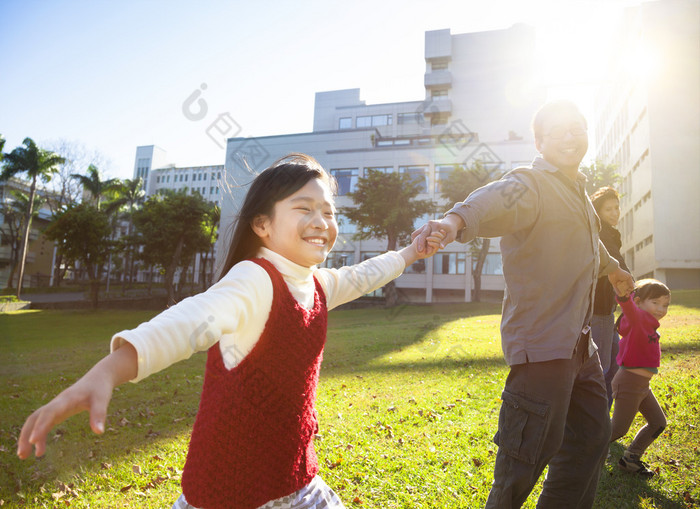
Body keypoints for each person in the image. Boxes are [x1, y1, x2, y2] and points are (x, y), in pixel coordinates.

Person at [17, 153, 443, 509]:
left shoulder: (314, 284)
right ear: (262, 225)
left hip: (292, 480)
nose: (321, 221)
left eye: (328, 212)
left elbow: (364, 274)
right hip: (231, 491)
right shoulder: (254, 281)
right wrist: (108, 370)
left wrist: (410, 252)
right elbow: (190, 319)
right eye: (304, 208)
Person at [413, 100, 635, 509]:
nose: (572, 135)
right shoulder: (529, 183)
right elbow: (487, 201)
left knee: (590, 438)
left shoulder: (578, 192)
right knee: (523, 461)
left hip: (580, 345)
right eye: (561, 129)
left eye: (579, 127)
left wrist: (614, 269)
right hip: (543, 346)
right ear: (539, 140)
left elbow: (589, 240)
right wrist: (451, 223)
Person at [610, 278, 670, 478]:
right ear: (639, 302)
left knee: (658, 423)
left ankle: (630, 459)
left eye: (665, 304)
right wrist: (624, 296)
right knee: (618, 430)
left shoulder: (650, 324)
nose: (661, 309)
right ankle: (580, 452)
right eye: (655, 303)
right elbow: (628, 307)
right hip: (629, 382)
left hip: (642, 386)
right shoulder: (638, 318)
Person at [590, 186, 631, 409]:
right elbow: (617, 266)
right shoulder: (603, 233)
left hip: (606, 310)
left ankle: (601, 421)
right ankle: (598, 423)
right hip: (600, 310)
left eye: (616, 208)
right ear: (599, 211)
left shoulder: (609, 233)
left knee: (613, 366)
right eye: (608, 209)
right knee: (602, 369)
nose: (615, 213)